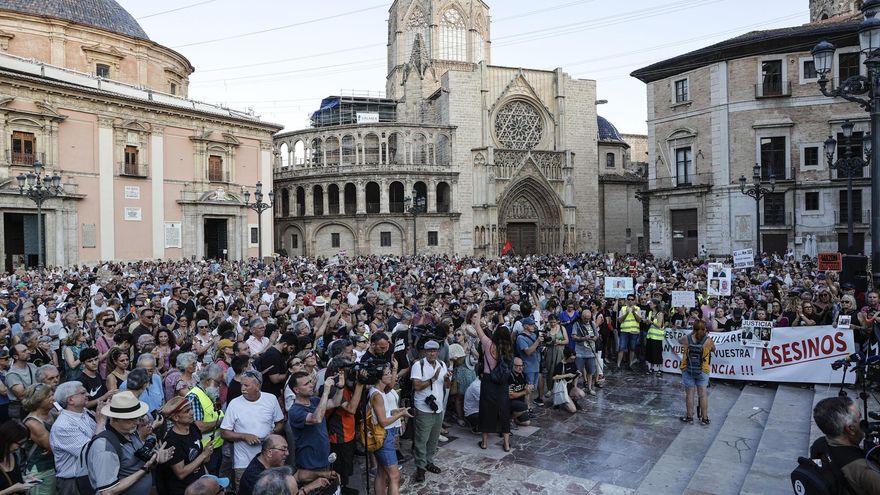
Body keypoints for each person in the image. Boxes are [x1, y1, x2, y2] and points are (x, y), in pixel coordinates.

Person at [85, 391, 174, 494]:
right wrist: (144, 469)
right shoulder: (105, 447)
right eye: (131, 419)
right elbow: (107, 491)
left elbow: (137, 464)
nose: (136, 422)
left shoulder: (131, 433)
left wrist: (156, 460)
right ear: (115, 419)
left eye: (137, 418)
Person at [220, 370, 284, 488]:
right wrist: (244, 436)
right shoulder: (234, 404)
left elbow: (280, 422)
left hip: (269, 461)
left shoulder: (271, 399)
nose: (242, 388)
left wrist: (273, 433)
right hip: (243, 463)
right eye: (241, 385)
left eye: (246, 385)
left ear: (258, 385)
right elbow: (224, 432)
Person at [812, 396, 880, 494]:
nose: (864, 420)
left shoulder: (818, 445)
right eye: (860, 417)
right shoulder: (864, 470)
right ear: (851, 429)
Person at [50, 381, 106, 495]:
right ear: (70, 400)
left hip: (91, 476)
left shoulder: (84, 412)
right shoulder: (63, 426)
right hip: (74, 483)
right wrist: (100, 423)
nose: (88, 395)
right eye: (83, 393)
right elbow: (91, 452)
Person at [287, 371, 339, 487]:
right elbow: (317, 418)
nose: (311, 385)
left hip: (324, 460)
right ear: (296, 390)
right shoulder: (295, 411)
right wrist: (326, 391)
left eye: (310, 382)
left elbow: (335, 402)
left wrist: (340, 387)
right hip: (309, 465)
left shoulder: (315, 401)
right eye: (306, 384)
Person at [473, 303, 513, 453]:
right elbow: (503, 329)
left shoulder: (489, 344)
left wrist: (481, 308)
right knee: (504, 410)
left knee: (486, 409)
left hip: (488, 380)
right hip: (502, 381)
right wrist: (501, 313)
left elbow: (477, 327)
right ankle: (507, 444)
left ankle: (484, 442)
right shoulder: (509, 347)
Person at [369, 362, 412, 495]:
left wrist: (396, 410)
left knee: (382, 472)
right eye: (387, 374)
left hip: (384, 435)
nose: (391, 377)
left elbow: (384, 413)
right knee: (394, 476)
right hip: (383, 436)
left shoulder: (380, 391)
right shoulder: (377, 395)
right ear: (379, 377)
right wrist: (401, 414)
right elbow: (383, 421)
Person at [410, 339, 449, 482]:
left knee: (433, 439)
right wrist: (433, 378)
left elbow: (445, 385)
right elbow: (417, 386)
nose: (432, 353)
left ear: (438, 351)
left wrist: (447, 380)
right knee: (421, 440)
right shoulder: (418, 365)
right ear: (425, 352)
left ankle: (428, 462)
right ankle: (420, 468)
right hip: (423, 408)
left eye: (434, 350)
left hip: (438, 407)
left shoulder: (442, 364)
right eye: (429, 351)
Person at [324, 357, 364, 495]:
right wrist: (360, 384)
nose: (353, 371)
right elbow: (352, 408)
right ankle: (339, 489)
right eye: (349, 369)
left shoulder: (347, 383)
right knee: (339, 468)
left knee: (347, 466)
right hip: (338, 436)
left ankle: (344, 487)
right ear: (340, 371)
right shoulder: (335, 388)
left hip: (348, 432)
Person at [157, 397, 213, 495]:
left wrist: (204, 454)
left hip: (198, 485)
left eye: (191, 409)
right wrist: (203, 455)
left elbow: (197, 457)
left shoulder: (193, 427)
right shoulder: (172, 440)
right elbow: (181, 473)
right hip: (183, 490)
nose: (192, 412)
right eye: (187, 411)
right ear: (176, 418)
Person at [185, 364, 224, 474]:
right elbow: (199, 427)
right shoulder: (194, 396)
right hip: (203, 451)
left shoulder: (209, 393)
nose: (219, 386)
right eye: (218, 383)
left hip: (215, 447)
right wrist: (221, 422)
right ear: (208, 381)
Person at [678, 320, 715, 425]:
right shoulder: (708, 340)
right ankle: (705, 418)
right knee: (703, 394)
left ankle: (689, 416)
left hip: (687, 368)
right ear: (705, 329)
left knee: (689, 394)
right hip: (703, 370)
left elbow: (679, 340)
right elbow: (714, 349)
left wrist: (691, 333)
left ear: (693, 329)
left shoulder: (687, 338)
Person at [21, 384, 55, 494]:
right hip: (42, 470)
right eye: (48, 397)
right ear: (38, 401)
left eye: (52, 394)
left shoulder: (53, 413)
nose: (53, 398)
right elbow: (53, 446)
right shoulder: (33, 423)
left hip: (55, 467)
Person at [0, 420, 39, 494]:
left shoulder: (13, 455)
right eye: (20, 443)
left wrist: (23, 479)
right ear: (8, 440)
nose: (22, 446)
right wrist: (12, 489)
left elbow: (7, 480)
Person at [5, 345, 37, 420]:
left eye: (27, 349)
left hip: (34, 405)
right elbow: (22, 396)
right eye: (24, 351)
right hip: (20, 410)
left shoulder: (32, 366)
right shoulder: (12, 374)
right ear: (16, 356)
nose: (29, 352)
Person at [617, 295, 643, 370]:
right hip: (624, 331)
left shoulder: (638, 309)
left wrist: (634, 313)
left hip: (634, 331)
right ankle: (618, 365)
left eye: (632, 299)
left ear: (635, 300)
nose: (630, 301)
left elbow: (639, 320)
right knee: (621, 348)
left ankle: (630, 364)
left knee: (632, 348)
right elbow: (620, 320)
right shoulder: (623, 308)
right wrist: (626, 313)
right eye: (629, 299)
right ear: (627, 300)